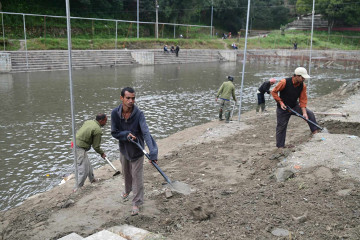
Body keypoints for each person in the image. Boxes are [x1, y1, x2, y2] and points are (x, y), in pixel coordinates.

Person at [111, 87, 158, 216]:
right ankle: (127, 190)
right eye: (128, 98)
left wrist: (153, 152)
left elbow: (146, 133)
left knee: (137, 177)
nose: (131, 101)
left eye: (133, 98)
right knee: (126, 173)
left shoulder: (139, 114)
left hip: (137, 150)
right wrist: (126, 134)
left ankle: (136, 202)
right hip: (124, 150)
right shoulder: (115, 113)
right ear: (122, 98)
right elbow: (114, 132)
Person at [271, 67, 321, 148]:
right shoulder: (284, 82)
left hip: (294, 106)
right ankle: (280, 147)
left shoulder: (303, 86)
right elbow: (274, 92)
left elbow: (303, 100)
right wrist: (280, 102)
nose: (304, 79)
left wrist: (304, 113)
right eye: (302, 77)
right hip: (283, 109)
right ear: (296, 76)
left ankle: (315, 132)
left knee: (310, 114)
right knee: (281, 127)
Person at [74, 113, 107, 192]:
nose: (106, 123)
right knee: (83, 169)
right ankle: (77, 188)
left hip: (75, 142)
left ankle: (92, 179)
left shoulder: (89, 121)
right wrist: (102, 153)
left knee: (87, 164)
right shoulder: (97, 130)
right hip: (79, 147)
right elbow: (96, 146)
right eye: (105, 121)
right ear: (101, 120)